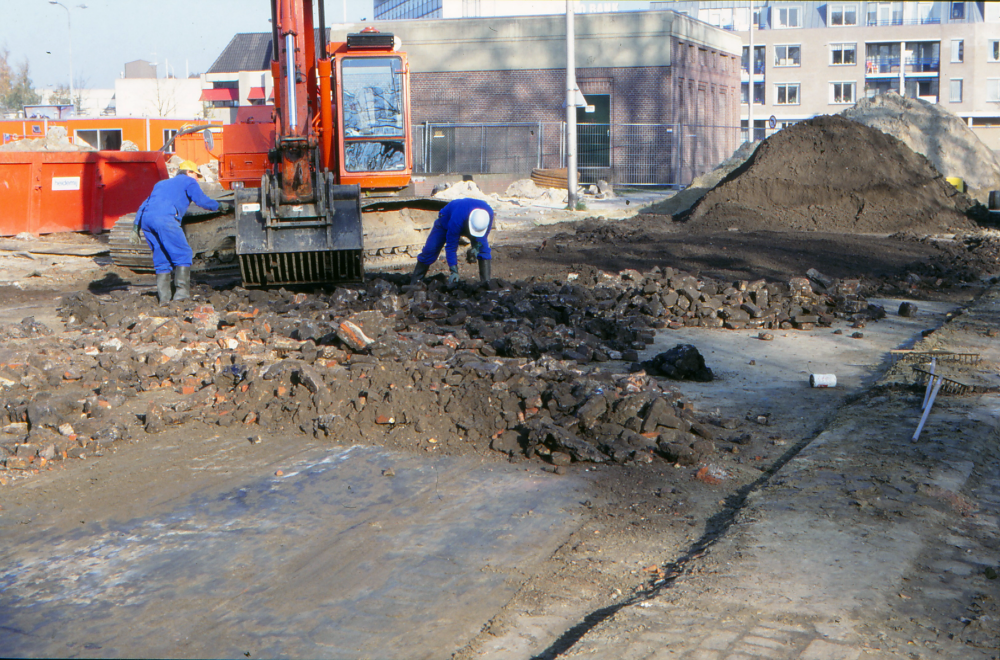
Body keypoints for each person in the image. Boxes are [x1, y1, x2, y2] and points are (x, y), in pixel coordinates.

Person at [131, 161, 231, 303]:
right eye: (196, 175)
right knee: (183, 253)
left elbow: (143, 205)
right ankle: (181, 296)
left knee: (161, 258)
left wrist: (135, 228)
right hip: (165, 219)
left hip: (147, 221)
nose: (197, 179)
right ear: (189, 172)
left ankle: (164, 299)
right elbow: (202, 201)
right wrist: (220, 206)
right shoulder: (189, 182)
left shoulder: (160, 184)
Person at [410, 198, 493, 285]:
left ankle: (486, 284)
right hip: (447, 219)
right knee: (430, 250)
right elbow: (451, 247)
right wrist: (454, 271)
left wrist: (477, 246)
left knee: (484, 249)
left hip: (467, 218)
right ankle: (415, 282)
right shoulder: (456, 220)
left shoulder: (488, 214)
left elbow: (485, 234)